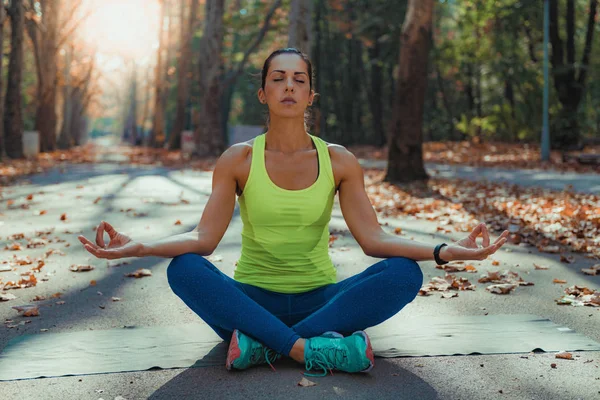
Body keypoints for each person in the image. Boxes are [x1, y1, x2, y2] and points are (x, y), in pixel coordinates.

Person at [78, 48, 509, 377]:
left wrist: (444, 250)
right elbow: (203, 240)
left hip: (322, 300)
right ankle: (306, 349)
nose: (288, 86)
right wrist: (141, 246)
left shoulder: (339, 161)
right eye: (278, 79)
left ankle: (264, 347)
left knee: (404, 274)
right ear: (263, 93)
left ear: (310, 95)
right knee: (184, 268)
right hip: (249, 302)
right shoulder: (238, 159)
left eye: (298, 80)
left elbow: (374, 239)